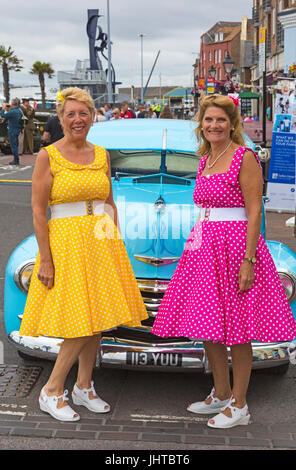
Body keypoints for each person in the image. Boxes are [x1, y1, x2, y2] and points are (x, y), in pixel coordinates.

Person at [151, 93, 296, 429]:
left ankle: (240, 405)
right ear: (201, 125)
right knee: (208, 327)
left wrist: (249, 260)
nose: (214, 125)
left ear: (232, 124)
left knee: (238, 330)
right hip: (204, 248)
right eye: (208, 120)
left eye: (221, 120)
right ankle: (221, 392)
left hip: (235, 250)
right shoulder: (205, 158)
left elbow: (255, 210)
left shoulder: (244, 157)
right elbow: (205, 210)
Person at [19, 87, 148, 422]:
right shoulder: (48, 155)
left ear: (93, 116)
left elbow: (109, 203)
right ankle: (51, 390)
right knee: (79, 320)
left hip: (101, 242)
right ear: (61, 119)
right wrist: (44, 258)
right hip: (67, 243)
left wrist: (113, 244)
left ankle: (84, 386)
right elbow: (37, 211)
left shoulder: (102, 154)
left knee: (99, 318)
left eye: (83, 113)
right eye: (70, 114)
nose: (78, 120)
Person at [0, 98, 23, 165]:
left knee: (13, 146)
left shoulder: (13, 112)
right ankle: (16, 159)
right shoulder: (18, 110)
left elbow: (3, 115)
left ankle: (16, 160)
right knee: (15, 145)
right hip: (17, 129)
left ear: (13, 104)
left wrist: (3, 108)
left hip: (12, 130)